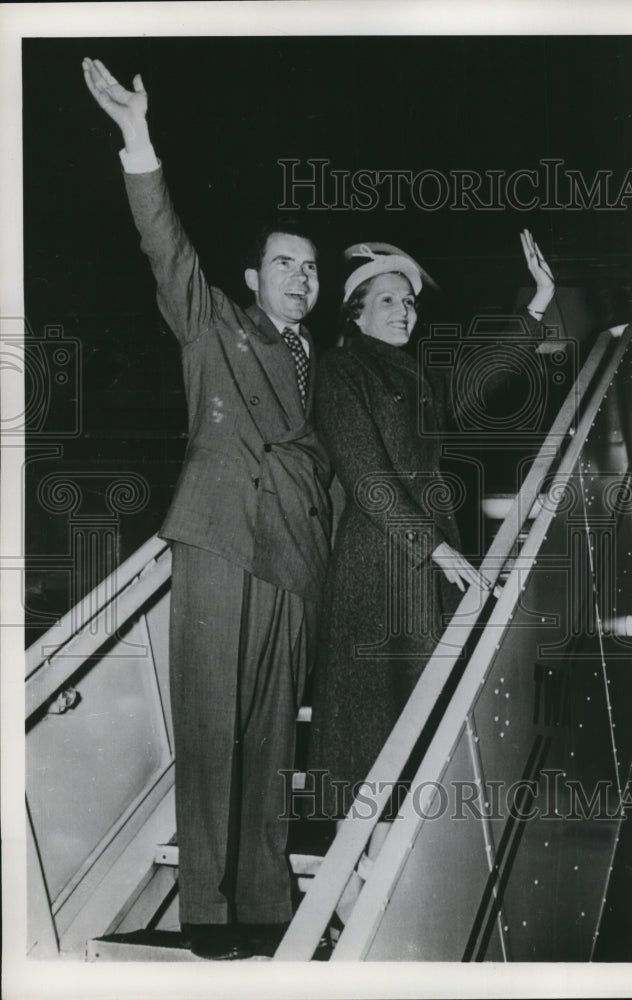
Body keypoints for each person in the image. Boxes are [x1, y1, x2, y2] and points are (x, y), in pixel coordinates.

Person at [82, 58, 334, 959]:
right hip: (223, 539)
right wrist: (138, 141)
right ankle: (210, 912)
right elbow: (166, 248)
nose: (299, 276)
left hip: (295, 563)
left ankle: (266, 897)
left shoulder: (327, 365)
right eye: (283, 263)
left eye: (309, 267)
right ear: (251, 275)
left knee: (271, 740)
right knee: (213, 728)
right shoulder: (216, 325)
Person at [308, 233, 555, 918]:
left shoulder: (411, 377)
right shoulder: (342, 371)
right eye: (387, 299)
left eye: (409, 301)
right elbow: (366, 477)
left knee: (406, 730)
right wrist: (439, 550)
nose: (404, 310)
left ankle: (376, 893)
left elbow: (478, 377)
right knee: (365, 733)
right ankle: (346, 893)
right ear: (354, 314)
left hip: (419, 571)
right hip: (375, 566)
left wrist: (534, 308)